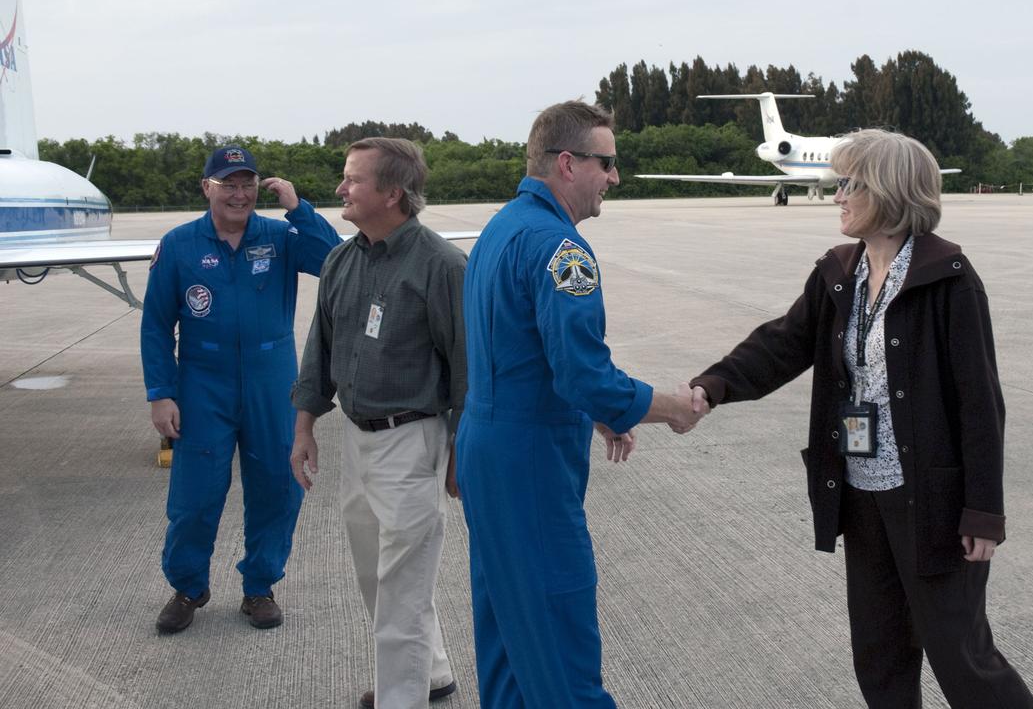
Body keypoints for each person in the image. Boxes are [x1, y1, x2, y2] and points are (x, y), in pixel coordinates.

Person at [688, 130, 1033, 709]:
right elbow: (783, 343)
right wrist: (710, 387)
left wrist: (984, 510)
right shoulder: (838, 272)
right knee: (878, 655)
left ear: (887, 190)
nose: (836, 195)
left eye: (848, 183)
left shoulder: (948, 278)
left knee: (962, 659)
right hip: (860, 493)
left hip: (932, 503)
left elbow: (980, 402)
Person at [455, 100, 703, 709]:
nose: (614, 178)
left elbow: (521, 350)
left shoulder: (501, 227)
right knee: (560, 633)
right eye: (607, 163)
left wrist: (600, 413)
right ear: (568, 163)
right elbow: (583, 373)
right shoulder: (562, 248)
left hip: (488, 446)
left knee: (511, 633)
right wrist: (666, 405)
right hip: (530, 461)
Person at [290, 137, 466, 709]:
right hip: (357, 444)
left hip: (413, 441)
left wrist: (462, 449)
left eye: (352, 180)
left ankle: (401, 699)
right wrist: (304, 427)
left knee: (401, 591)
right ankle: (433, 673)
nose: (341, 189)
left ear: (392, 194)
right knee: (377, 579)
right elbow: (319, 351)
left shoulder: (440, 265)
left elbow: (469, 367)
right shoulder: (341, 259)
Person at [140, 145, 341, 634]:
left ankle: (260, 587)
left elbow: (335, 260)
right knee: (194, 495)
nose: (239, 193)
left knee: (277, 486)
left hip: (271, 380)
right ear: (207, 187)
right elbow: (156, 324)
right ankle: (189, 586)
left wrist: (300, 209)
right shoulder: (180, 244)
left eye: (247, 183)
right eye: (228, 183)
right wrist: (161, 392)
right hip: (202, 381)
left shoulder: (280, 236)